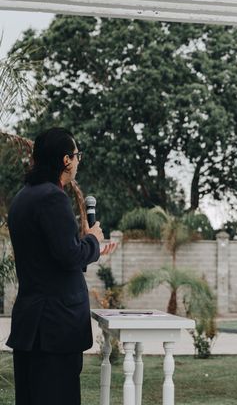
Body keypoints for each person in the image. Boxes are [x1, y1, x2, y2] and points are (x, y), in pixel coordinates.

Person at [7, 127, 117, 405]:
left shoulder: (23, 198)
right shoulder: (53, 197)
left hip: (32, 326)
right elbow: (68, 257)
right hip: (54, 329)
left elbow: (52, 257)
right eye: (77, 155)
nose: (78, 161)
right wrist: (92, 241)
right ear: (66, 160)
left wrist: (87, 247)